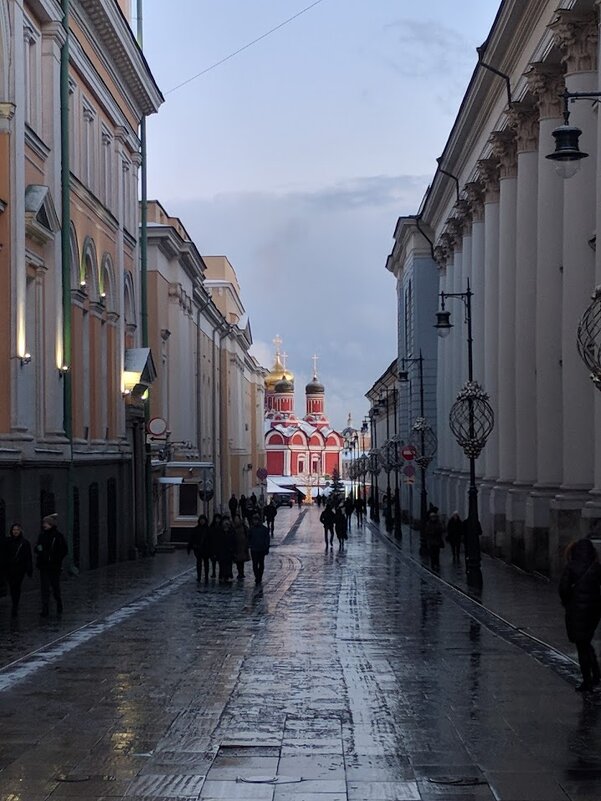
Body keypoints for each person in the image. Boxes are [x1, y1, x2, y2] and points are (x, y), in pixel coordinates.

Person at [559, 539, 601, 693]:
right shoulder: (596, 567)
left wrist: (567, 601)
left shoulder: (571, 567)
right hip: (594, 610)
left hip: (576, 609)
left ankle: (587, 681)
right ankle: (596, 674)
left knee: (582, 644)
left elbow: (563, 588)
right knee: (586, 641)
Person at [36, 513, 68, 617]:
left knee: (55, 587)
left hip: (54, 567)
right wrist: (38, 550)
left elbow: (64, 550)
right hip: (44, 566)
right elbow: (37, 546)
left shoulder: (58, 536)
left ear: (51, 524)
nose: (44, 525)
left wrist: (56, 559)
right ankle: (45, 609)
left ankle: (59, 603)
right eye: (43, 523)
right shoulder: (42, 535)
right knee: (45, 588)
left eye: (46, 523)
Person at [3, 523, 33, 617]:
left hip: (20, 569)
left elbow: (28, 557)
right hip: (9, 568)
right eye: (14, 530)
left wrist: (29, 569)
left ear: (20, 531)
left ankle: (15, 605)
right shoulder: (7, 541)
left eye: (17, 530)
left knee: (16, 586)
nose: (15, 531)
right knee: (12, 587)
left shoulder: (24, 543)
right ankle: (14, 602)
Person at [187, 514, 211, 583]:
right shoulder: (196, 529)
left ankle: (206, 576)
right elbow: (191, 539)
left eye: (203, 520)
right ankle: (199, 576)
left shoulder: (208, 530)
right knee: (199, 563)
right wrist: (190, 547)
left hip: (206, 549)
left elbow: (211, 540)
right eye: (201, 520)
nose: (202, 521)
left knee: (206, 563)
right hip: (198, 549)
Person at [248, 512, 270, 585]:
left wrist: (266, 547)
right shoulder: (251, 529)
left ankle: (259, 576)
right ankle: (257, 577)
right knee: (255, 564)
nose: (255, 522)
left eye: (256, 520)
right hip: (254, 549)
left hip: (261, 549)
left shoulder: (264, 529)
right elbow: (249, 538)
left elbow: (267, 539)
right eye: (254, 520)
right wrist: (250, 545)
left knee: (261, 564)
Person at [215, 516, 235, 583]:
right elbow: (217, 541)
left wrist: (233, 549)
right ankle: (222, 576)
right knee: (222, 564)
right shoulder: (219, 530)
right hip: (221, 550)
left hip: (229, 550)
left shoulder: (232, 530)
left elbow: (234, 540)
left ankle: (228, 576)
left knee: (229, 564)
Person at [232, 514, 250, 579]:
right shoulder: (233, 527)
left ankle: (241, 573)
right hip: (236, 546)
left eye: (237, 519)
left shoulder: (244, 527)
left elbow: (248, 535)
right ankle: (240, 573)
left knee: (241, 561)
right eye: (235, 519)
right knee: (237, 561)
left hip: (243, 546)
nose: (236, 520)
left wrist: (247, 543)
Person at [208, 513, 223, 578]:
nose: (217, 520)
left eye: (218, 518)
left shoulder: (222, 527)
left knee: (220, 561)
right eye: (216, 518)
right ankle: (213, 572)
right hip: (213, 546)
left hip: (220, 546)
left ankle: (220, 573)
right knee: (213, 561)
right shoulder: (212, 527)